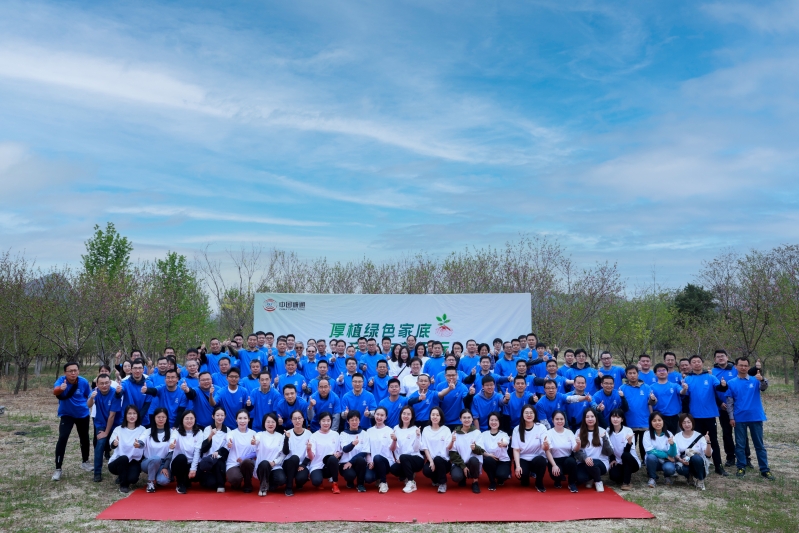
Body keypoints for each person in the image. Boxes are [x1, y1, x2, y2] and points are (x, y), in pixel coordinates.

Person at [725, 357, 774, 480]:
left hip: (755, 417)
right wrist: (731, 417)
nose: (743, 367)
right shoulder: (731, 383)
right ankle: (741, 467)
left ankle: (764, 469)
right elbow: (729, 403)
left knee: (759, 445)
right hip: (739, 418)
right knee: (740, 445)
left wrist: (762, 379)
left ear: (748, 367)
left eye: (746, 365)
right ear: (736, 366)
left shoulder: (755, 380)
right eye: (741, 365)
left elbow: (764, 387)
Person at [681, 355, 729, 476]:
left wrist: (723, 385)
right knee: (696, 442)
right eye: (694, 362)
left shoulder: (710, 377)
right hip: (694, 417)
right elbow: (684, 396)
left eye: (698, 361)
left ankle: (718, 466)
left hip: (709, 415)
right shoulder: (688, 379)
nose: (696, 364)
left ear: (702, 363)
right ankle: (699, 465)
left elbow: (719, 388)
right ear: (691, 365)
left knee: (713, 441)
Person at [52, 361, 93, 481]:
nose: (73, 373)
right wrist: (61, 389)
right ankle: (58, 468)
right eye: (70, 371)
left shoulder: (83, 382)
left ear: (78, 371)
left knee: (84, 438)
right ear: (65, 372)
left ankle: (85, 461)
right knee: (63, 438)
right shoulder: (61, 381)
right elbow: (55, 391)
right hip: (67, 414)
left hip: (82, 414)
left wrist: (91, 400)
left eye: (75, 370)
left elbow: (89, 395)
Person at [713, 349, 751, 469]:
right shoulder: (712, 372)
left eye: (722, 356)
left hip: (738, 407)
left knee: (742, 434)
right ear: (715, 359)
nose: (720, 358)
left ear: (727, 357)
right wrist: (719, 403)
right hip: (723, 408)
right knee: (727, 433)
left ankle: (746, 457)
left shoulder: (736, 369)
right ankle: (730, 457)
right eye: (718, 356)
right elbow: (711, 391)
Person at [87, 372, 121, 482]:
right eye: (101, 383)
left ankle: (121, 473)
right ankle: (97, 473)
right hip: (100, 423)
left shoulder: (115, 393)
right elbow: (88, 405)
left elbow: (112, 416)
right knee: (100, 445)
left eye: (107, 383)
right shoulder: (95, 391)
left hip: (115, 424)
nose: (104, 385)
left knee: (120, 446)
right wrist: (91, 398)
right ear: (97, 384)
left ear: (110, 382)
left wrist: (106, 433)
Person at [107, 405, 147, 493]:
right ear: (125, 415)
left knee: (133, 479)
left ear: (137, 415)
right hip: (118, 461)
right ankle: (123, 485)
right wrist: (114, 443)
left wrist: (139, 445)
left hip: (133, 460)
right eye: (129, 413)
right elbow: (112, 443)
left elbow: (144, 443)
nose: (132, 416)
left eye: (134, 413)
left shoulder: (142, 429)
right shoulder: (118, 429)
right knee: (124, 458)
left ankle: (124, 476)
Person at [620, 365, 655, 459]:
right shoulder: (622, 388)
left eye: (634, 373)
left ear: (638, 374)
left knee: (644, 444)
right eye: (630, 373)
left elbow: (651, 403)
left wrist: (653, 399)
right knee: (631, 444)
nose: (632, 375)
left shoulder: (646, 387)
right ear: (626, 375)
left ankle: (645, 460)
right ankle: (632, 461)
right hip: (629, 421)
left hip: (644, 421)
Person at [510, 405, 548, 492]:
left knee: (541, 460)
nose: (529, 415)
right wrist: (518, 466)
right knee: (523, 478)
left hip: (537, 458)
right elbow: (516, 450)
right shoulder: (517, 429)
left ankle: (539, 482)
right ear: (522, 415)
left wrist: (545, 445)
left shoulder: (541, 427)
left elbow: (544, 446)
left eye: (531, 413)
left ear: (535, 414)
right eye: (526, 413)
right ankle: (526, 476)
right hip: (523, 458)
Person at [574, 408, 611, 492]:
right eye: (587, 417)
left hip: (600, 462)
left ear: (596, 418)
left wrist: (604, 439)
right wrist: (585, 458)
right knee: (579, 478)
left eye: (592, 416)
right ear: (584, 419)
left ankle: (598, 481)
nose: (590, 419)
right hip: (584, 462)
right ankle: (592, 477)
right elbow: (576, 452)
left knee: (592, 463)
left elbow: (609, 452)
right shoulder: (579, 432)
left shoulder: (602, 431)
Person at [543, 410, 580, 492]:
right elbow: (547, 451)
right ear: (552, 420)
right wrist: (554, 465)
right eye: (557, 419)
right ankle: (557, 480)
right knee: (556, 474)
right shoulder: (549, 433)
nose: (559, 421)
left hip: (567, 459)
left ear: (565, 420)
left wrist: (578, 444)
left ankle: (571, 483)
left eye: (561, 419)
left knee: (571, 462)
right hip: (555, 460)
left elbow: (575, 449)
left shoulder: (569, 432)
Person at [448, 409, 484, 494]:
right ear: (460, 419)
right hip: (460, 463)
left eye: (469, 417)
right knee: (456, 477)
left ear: (472, 419)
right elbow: (453, 453)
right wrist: (463, 466)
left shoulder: (477, 433)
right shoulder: (455, 433)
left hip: (472, 462)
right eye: (464, 418)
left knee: (474, 460)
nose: (466, 420)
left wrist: (475, 448)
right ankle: (462, 477)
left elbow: (481, 451)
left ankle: (475, 482)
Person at [673, 413, 711, 490]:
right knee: (679, 468)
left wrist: (708, 442)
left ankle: (700, 480)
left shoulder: (699, 436)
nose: (686, 424)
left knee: (696, 458)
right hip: (684, 461)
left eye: (689, 422)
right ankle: (689, 477)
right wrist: (681, 460)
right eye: (684, 422)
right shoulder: (677, 436)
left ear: (692, 423)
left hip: (698, 461)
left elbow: (708, 454)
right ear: (681, 424)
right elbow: (676, 452)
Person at [393, 406, 425, 493]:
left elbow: (416, 448)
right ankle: (407, 475)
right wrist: (397, 458)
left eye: (408, 414)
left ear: (412, 416)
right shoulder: (396, 428)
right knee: (393, 469)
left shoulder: (415, 429)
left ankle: (411, 482)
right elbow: (395, 447)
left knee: (404, 457)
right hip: (402, 459)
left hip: (415, 458)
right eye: (404, 413)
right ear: (400, 415)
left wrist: (418, 436)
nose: (406, 416)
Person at [308, 412, 343, 493]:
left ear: (331, 421)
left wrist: (337, 454)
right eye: (323, 421)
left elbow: (340, 451)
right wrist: (308, 450)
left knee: (332, 459)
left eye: (328, 420)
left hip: (330, 465)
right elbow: (311, 457)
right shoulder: (314, 436)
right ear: (319, 422)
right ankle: (319, 481)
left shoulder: (335, 434)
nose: (326, 423)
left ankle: (335, 484)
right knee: (316, 481)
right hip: (317, 465)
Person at [140, 407, 173, 493]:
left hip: (163, 463)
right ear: (154, 418)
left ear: (166, 418)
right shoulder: (148, 431)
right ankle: (150, 482)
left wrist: (165, 467)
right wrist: (138, 444)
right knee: (156, 458)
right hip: (148, 462)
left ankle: (158, 477)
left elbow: (171, 452)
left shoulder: (171, 432)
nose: (161, 419)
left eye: (163, 417)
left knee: (163, 481)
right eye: (158, 417)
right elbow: (141, 441)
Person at [252, 413, 286, 496]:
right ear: (264, 423)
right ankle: (263, 487)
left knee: (282, 479)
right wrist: (253, 441)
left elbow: (282, 454)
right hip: (262, 467)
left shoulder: (280, 436)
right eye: (268, 422)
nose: (270, 424)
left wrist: (274, 462)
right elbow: (256, 440)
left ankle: (269, 486)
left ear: (276, 423)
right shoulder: (260, 434)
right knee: (264, 463)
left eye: (273, 422)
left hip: (274, 466)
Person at [197, 406, 229, 492]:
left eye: (222, 415)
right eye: (217, 415)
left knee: (219, 460)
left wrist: (218, 452)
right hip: (208, 461)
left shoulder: (228, 430)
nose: (220, 417)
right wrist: (210, 435)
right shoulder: (207, 429)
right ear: (213, 416)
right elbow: (203, 448)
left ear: (225, 416)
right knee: (210, 484)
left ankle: (221, 485)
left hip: (219, 461)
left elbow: (227, 449)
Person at [607, 409, 640, 491]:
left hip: (631, 461)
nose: (615, 419)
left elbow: (627, 452)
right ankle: (624, 476)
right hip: (618, 462)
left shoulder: (628, 430)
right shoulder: (608, 430)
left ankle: (627, 482)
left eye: (618, 417)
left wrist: (629, 442)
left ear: (622, 419)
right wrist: (612, 459)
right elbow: (608, 448)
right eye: (613, 417)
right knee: (614, 476)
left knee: (625, 455)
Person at [171, 410, 203, 494]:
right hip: (179, 464)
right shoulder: (176, 431)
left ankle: (187, 480)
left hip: (192, 463)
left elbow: (197, 452)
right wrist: (172, 444)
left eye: (191, 418)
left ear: (195, 419)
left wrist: (193, 469)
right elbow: (173, 439)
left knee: (199, 474)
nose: (189, 421)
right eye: (187, 418)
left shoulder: (199, 432)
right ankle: (180, 483)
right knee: (182, 458)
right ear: (182, 420)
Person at [421, 407, 452, 493]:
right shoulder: (426, 429)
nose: (435, 417)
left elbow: (449, 447)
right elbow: (425, 447)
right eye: (433, 415)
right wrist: (431, 461)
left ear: (441, 417)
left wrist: (452, 441)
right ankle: (435, 479)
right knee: (426, 470)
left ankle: (443, 483)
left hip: (444, 461)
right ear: (430, 416)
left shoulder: (446, 429)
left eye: (437, 415)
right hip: (431, 459)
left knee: (438, 459)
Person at [225, 409, 257, 493]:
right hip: (233, 463)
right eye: (240, 418)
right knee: (234, 478)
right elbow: (229, 439)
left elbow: (256, 452)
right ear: (236, 420)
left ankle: (248, 482)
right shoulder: (232, 433)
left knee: (247, 462)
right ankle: (237, 482)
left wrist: (244, 457)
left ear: (249, 419)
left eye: (245, 418)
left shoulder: (253, 433)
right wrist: (229, 443)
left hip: (247, 463)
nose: (242, 421)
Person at [281, 410, 312, 496]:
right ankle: (289, 486)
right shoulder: (287, 433)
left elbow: (311, 451)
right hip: (289, 463)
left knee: (301, 478)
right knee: (294, 458)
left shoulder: (309, 434)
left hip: (302, 464)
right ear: (291, 420)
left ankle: (299, 483)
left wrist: (303, 465)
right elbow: (285, 452)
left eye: (299, 418)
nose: (297, 421)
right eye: (294, 419)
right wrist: (286, 439)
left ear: (303, 419)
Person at [366, 406, 396, 493]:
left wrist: (394, 440)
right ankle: (378, 478)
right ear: (374, 415)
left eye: (382, 415)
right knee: (368, 478)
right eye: (377, 414)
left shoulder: (389, 430)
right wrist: (370, 461)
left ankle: (383, 482)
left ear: (386, 417)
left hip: (386, 462)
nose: (379, 417)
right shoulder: (369, 431)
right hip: (373, 462)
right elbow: (367, 450)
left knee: (378, 457)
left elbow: (393, 449)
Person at [643, 412, 677, 488]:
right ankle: (652, 478)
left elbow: (672, 454)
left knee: (669, 469)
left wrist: (672, 445)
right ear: (650, 422)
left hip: (666, 461)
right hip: (654, 461)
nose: (657, 423)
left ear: (663, 421)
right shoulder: (647, 434)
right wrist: (666, 455)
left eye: (659, 420)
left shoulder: (669, 434)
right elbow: (649, 450)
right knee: (651, 457)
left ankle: (667, 477)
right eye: (654, 420)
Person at [339, 410, 370, 491]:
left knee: (361, 460)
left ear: (359, 421)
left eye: (356, 420)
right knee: (350, 475)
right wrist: (352, 444)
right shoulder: (343, 434)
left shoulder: (364, 433)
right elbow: (345, 449)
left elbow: (364, 452)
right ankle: (350, 481)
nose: (354, 422)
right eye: (352, 420)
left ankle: (360, 484)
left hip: (358, 462)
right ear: (348, 421)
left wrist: (351, 462)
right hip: (345, 462)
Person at [650, 363, 683, 435]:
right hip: (660, 416)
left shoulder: (674, 385)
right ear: (655, 374)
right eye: (659, 371)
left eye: (664, 370)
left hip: (675, 416)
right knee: (662, 437)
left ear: (667, 372)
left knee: (675, 437)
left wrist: (685, 388)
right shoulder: (651, 387)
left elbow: (681, 392)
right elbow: (650, 403)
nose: (662, 372)